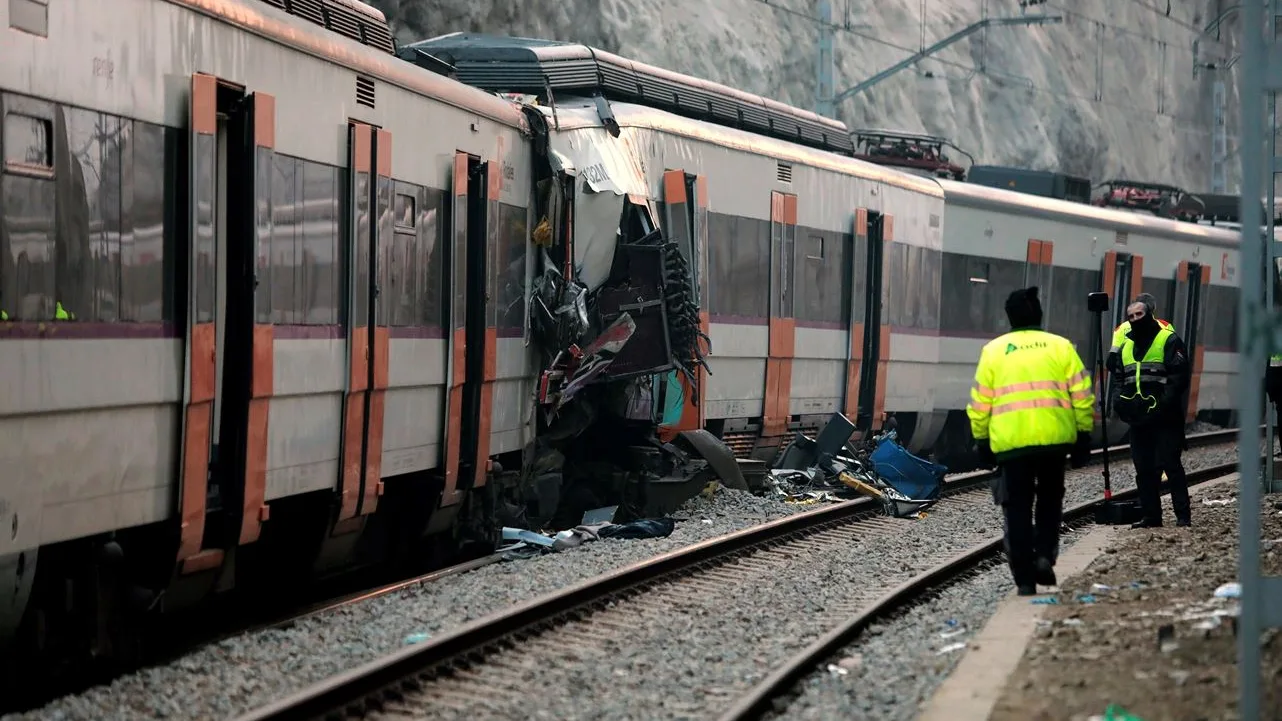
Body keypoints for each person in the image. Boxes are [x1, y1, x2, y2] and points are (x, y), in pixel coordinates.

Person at [967, 287, 1094, 596]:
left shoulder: (994, 351)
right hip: (1054, 443)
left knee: (1018, 508)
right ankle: (1044, 556)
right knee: (1050, 502)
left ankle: (1024, 577)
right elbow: (1082, 396)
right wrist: (1083, 436)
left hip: (1012, 446)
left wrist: (981, 441)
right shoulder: (1061, 347)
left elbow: (980, 404)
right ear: (1039, 314)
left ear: (1009, 317)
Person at [1110, 301, 1192, 528]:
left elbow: (1179, 377)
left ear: (1150, 315)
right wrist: (1120, 403)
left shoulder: (1168, 340)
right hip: (1139, 419)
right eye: (1131, 316)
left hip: (1166, 418)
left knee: (1171, 466)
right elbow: (1119, 378)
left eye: (1139, 314)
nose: (1135, 319)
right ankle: (1151, 517)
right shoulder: (1126, 347)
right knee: (1143, 469)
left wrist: (1161, 405)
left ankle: (1183, 517)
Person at [1106, 292, 1173, 375]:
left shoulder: (1121, 329)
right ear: (1153, 308)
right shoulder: (1165, 326)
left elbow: (1111, 362)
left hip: (1129, 379)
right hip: (1156, 380)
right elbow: (1173, 359)